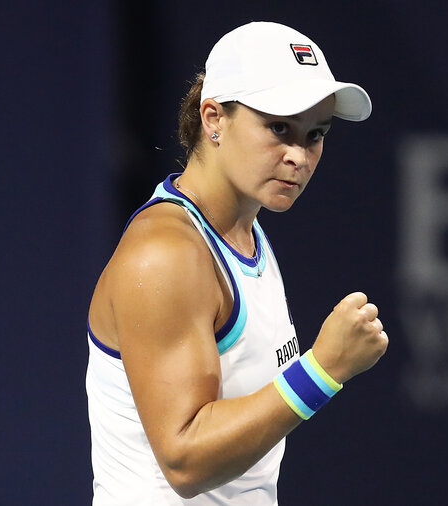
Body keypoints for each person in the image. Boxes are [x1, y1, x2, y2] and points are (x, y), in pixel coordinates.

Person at [85, 21, 388, 505]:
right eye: (278, 128)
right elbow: (185, 459)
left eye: (315, 135)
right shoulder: (166, 254)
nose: (298, 156)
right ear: (214, 118)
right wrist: (323, 369)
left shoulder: (246, 233)